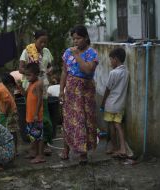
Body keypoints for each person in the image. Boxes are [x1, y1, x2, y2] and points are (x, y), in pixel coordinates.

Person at [59, 25, 99, 162]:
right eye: (73, 39)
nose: (75, 41)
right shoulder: (67, 52)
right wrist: (61, 90)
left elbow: (88, 70)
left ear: (86, 38)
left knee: (84, 120)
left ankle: (83, 153)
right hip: (71, 91)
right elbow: (64, 71)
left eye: (78, 38)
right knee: (69, 120)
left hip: (85, 92)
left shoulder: (92, 53)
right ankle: (66, 149)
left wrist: (77, 55)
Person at [19, 29, 53, 155]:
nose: (43, 45)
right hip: (30, 87)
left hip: (43, 86)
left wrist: (49, 70)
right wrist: (32, 74)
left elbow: (50, 65)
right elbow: (21, 68)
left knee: (44, 118)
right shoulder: (27, 51)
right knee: (33, 118)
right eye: (41, 42)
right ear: (35, 40)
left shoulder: (46, 51)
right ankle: (36, 147)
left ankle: (44, 144)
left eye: (45, 42)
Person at [100, 47, 129, 158]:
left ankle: (116, 147)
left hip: (111, 104)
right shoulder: (126, 72)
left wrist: (102, 103)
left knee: (112, 126)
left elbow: (108, 89)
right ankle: (122, 148)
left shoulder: (113, 73)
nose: (110, 62)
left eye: (111, 59)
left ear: (115, 59)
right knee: (118, 125)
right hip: (120, 105)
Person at [25, 63, 45, 164]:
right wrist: (20, 88)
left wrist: (36, 114)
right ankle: (34, 152)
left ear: (36, 74)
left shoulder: (38, 84)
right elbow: (27, 95)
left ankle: (40, 156)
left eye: (29, 75)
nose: (27, 77)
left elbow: (40, 100)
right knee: (33, 136)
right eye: (26, 75)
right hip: (30, 115)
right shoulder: (31, 83)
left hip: (36, 116)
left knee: (39, 136)